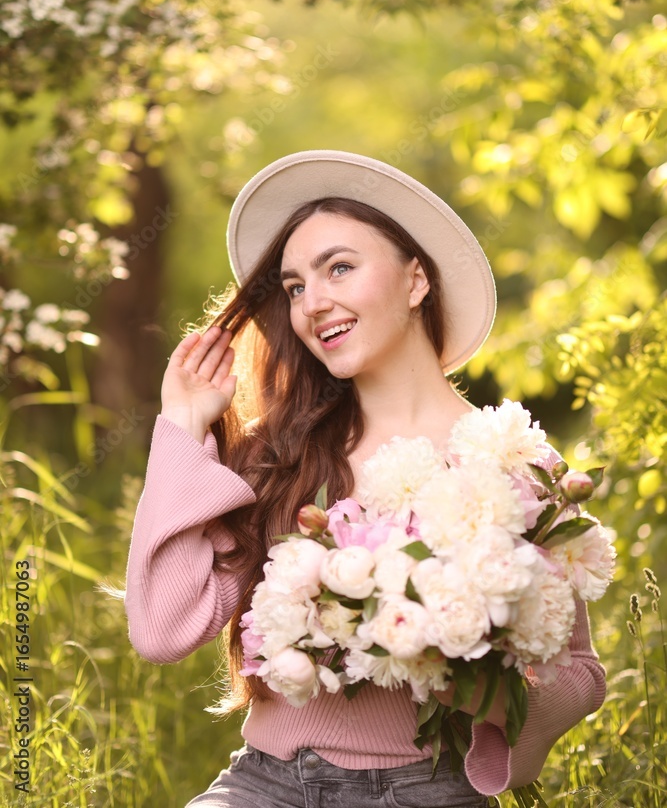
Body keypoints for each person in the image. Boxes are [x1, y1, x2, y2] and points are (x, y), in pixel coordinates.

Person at [123, 150, 606, 807]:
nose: (313, 303)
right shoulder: (281, 456)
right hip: (265, 784)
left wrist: (465, 663)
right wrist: (182, 428)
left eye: (339, 268)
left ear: (415, 281)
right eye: (294, 287)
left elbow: (579, 671)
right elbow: (161, 630)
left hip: (428, 788)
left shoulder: (511, 460)